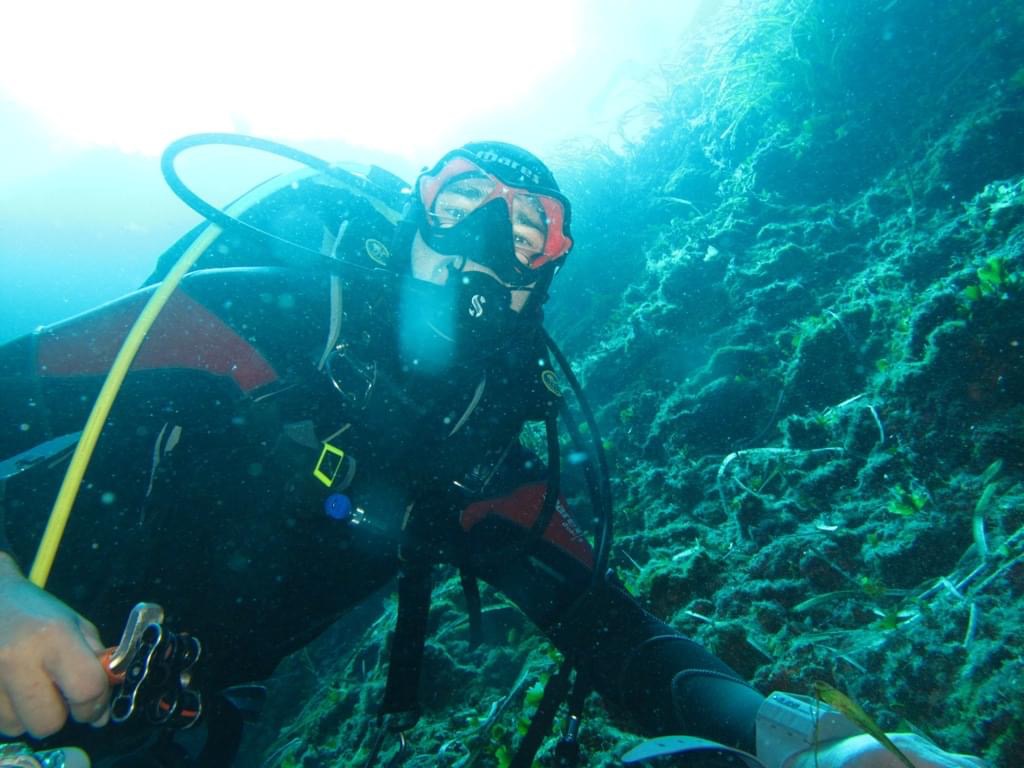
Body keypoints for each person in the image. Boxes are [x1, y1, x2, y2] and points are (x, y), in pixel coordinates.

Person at [0, 138, 985, 768]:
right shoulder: (250, 319)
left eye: (524, 226)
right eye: (461, 196)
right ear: (411, 215)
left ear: (541, 277)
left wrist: (793, 735)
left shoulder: (475, 468)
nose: (481, 231)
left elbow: (619, 637)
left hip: (167, 734)